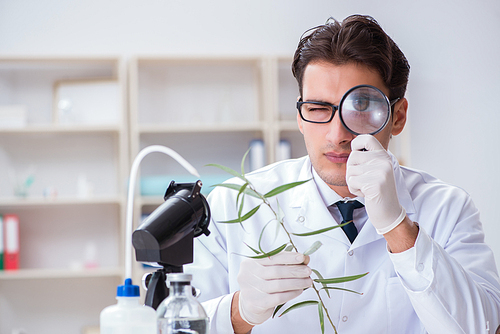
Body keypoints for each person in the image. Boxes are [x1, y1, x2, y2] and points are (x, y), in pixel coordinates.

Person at [186, 14, 500, 333]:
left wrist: (399, 229)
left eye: (361, 106)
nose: (337, 135)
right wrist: (241, 311)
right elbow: (178, 324)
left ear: (398, 117)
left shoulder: (448, 208)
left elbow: (483, 328)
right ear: (300, 116)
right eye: (318, 109)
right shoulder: (234, 203)